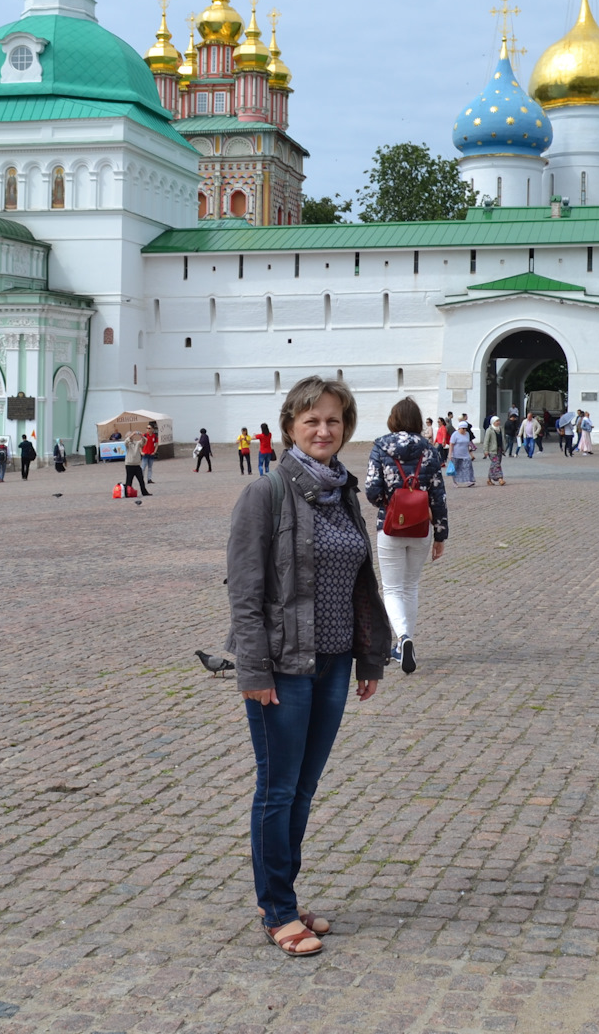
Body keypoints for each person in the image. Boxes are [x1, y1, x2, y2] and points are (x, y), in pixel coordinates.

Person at [228, 376, 388, 958]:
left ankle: (286, 898)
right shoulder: (266, 493)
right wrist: (254, 671)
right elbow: (245, 593)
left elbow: (358, 585)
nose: (324, 430)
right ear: (290, 426)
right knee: (277, 788)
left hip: (336, 663)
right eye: (312, 420)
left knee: (303, 788)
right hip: (283, 665)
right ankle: (276, 911)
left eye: (334, 421)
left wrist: (369, 654)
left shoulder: (343, 491)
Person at [364, 397, 448, 675]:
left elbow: (371, 489)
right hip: (422, 526)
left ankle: (402, 638)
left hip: (390, 526)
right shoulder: (429, 450)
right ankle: (403, 644)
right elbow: (438, 494)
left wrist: (390, 504)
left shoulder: (381, 447)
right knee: (410, 587)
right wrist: (441, 535)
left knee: (391, 588)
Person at [123, 431, 152, 497]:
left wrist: (142, 436)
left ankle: (144, 492)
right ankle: (127, 493)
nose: (132, 436)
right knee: (129, 480)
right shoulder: (128, 444)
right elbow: (125, 442)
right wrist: (130, 436)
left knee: (141, 479)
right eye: (130, 436)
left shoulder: (137, 443)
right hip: (129, 464)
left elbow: (144, 441)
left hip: (137, 464)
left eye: (132, 435)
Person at [484, 415, 506, 485]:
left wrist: (504, 448)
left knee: (494, 465)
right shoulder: (489, 430)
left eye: (499, 421)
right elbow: (486, 441)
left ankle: (489, 479)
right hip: (492, 450)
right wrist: (485, 450)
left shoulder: (500, 429)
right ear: (493, 422)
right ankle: (500, 479)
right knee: (497, 464)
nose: (498, 422)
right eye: (497, 421)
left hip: (499, 450)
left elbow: (503, 439)